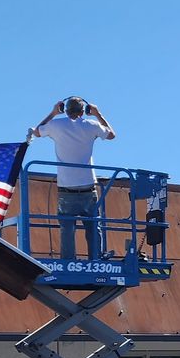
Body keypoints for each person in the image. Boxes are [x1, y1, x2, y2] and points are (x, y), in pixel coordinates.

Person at [28, 97, 117, 258]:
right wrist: (98, 114)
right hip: (88, 187)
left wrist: (53, 113)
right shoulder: (92, 125)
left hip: (66, 188)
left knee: (67, 228)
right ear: (84, 112)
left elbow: (37, 131)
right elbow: (111, 135)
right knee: (93, 225)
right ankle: (95, 259)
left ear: (65, 110)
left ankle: (68, 261)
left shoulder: (56, 125)